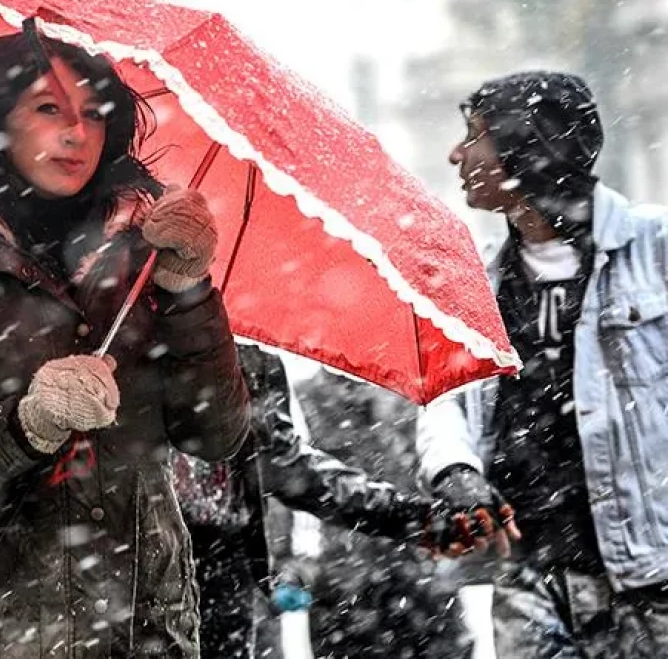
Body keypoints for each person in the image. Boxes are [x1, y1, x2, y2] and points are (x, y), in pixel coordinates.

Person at [0, 24, 249, 658]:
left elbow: (216, 434)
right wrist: (24, 427)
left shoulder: (146, 256)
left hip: (139, 633)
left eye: (94, 113)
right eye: (48, 109)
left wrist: (188, 288)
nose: (77, 133)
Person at [419, 71, 668, 657]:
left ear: (527, 147)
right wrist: (454, 470)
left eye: (474, 135)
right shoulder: (479, 281)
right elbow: (446, 395)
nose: (457, 154)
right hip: (530, 574)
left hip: (650, 577)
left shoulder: (654, 248)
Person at [176, 346, 456, 658]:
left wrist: (407, 515)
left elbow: (282, 463)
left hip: (223, 566)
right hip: (136, 558)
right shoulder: (118, 323)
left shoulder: (244, 343)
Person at [294, 370, 473, 659]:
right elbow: (286, 480)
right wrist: (287, 559)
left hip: (420, 569)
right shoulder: (307, 396)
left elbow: (436, 457)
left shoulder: (412, 390)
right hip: (347, 579)